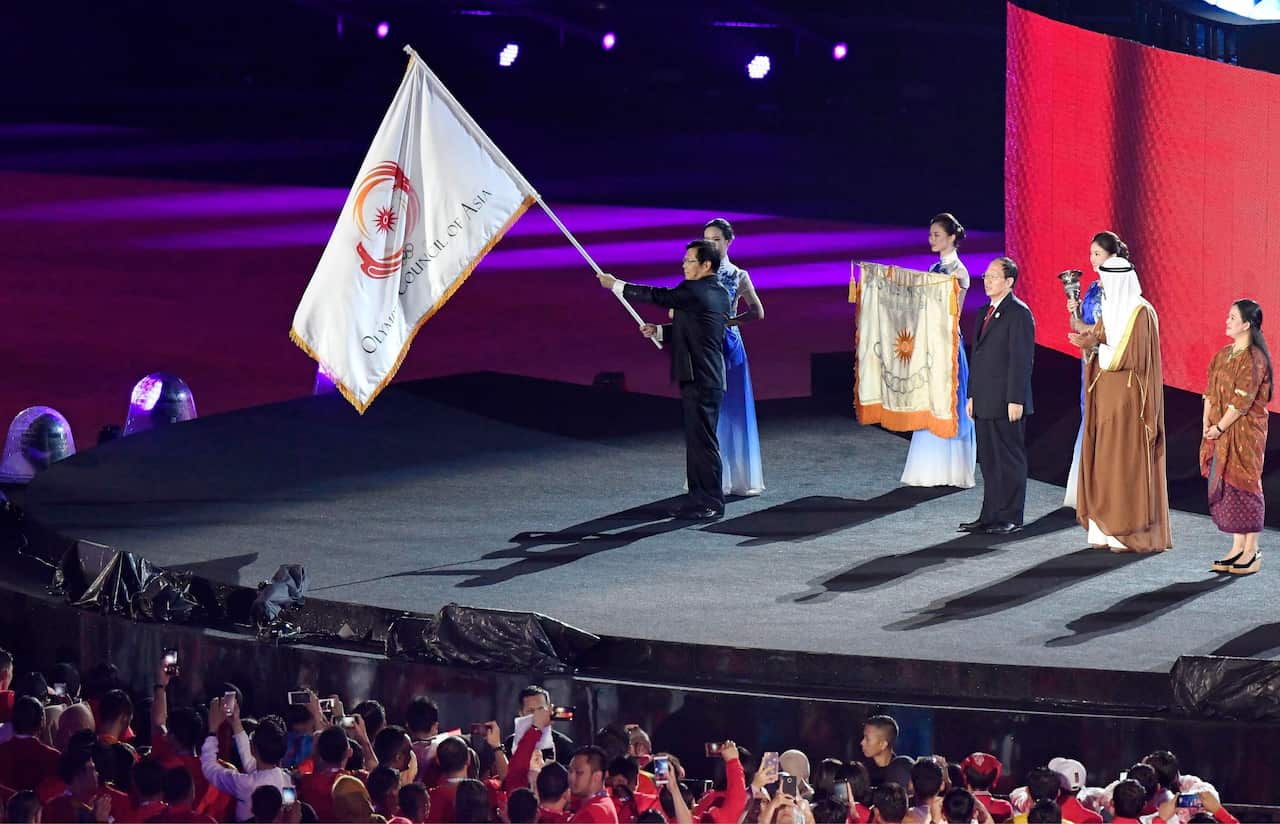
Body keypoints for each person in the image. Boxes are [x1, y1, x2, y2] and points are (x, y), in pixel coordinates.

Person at [598, 240, 732, 520]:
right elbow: (696, 328)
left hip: (702, 377)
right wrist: (659, 331)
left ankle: (711, 501)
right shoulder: (716, 292)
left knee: (703, 443)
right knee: (697, 441)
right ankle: (697, 498)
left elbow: (659, 296)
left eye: (689, 260)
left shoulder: (694, 290)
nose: (683, 265)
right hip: (702, 376)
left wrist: (617, 285)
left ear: (706, 265)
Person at [1068, 249, 1172, 551]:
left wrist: (1097, 344)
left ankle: (1128, 532)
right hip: (1104, 399)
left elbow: (1127, 357)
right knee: (1104, 463)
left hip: (1129, 405)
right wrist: (1088, 343)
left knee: (1122, 464)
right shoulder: (1110, 310)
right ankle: (1103, 530)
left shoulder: (1141, 312)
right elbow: (1096, 341)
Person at [901, 213, 977, 488]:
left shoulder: (959, 271)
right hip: (930, 341)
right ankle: (930, 466)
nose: (931, 239)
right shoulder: (934, 268)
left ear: (951, 238)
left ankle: (952, 468)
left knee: (948, 400)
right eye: (931, 234)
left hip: (946, 341)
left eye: (937, 234)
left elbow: (951, 312)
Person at [962, 257, 1035, 535]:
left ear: (1009, 282)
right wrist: (972, 395)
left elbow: (1021, 359)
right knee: (990, 459)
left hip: (1007, 400)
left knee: (1009, 458)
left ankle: (1011, 516)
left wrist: (1015, 398)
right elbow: (977, 357)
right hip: (984, 399)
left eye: (994, 276)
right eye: (987, 276)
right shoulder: (983, 312)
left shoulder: (1018, 313)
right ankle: (989, 514)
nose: (987, 280)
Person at [1201, 299, 1271, 575]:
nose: (1227, 321)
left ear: (1246, 324)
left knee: (1246, 485)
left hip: (1244, 433)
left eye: (1232, 317)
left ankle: (1252, 551)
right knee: (1229, 487)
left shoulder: (1254, 358)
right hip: (1219, 430)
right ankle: (1237, 547)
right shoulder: (1223, 354)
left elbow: (1241, 402)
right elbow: (1209, 390)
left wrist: (1219, 427)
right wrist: (1208, 421)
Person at [702, 218, 765, 496]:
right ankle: (712, 476)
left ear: (728, 241)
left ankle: (737, 478)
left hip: (730, 347)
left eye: (716, 239)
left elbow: (757, 311)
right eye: (707, 239)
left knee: (734, 412)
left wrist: (729, 322)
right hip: (706, 346)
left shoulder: (738, 275)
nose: (711, 244)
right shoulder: (699, 273)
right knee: (709, 413)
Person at [1063, 233, 1113, 507]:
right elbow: (1079, 324)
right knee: (1088, 414)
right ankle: (1083, 487)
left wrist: (1084, 330)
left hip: (1108, 363)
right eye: (1091, 253)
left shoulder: (1118, 291)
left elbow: (1104, 330)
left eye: (1097, 254)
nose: (1092, 259)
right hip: (1089, 363)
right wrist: (1074, 311)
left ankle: (1105, 490)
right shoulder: (1093, 287)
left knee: (1105, 420)